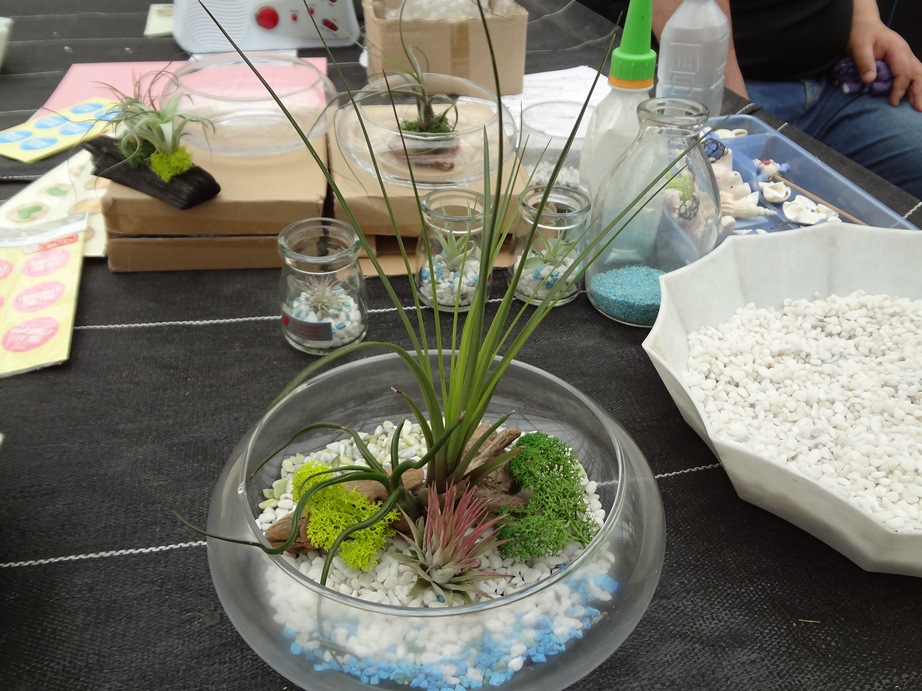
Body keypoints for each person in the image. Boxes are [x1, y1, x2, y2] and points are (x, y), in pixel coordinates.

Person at [644, 0, 922, 200]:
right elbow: (691, 19)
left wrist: (865, 20)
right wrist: (738, 114)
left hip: (840, 83)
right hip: (729, 88)